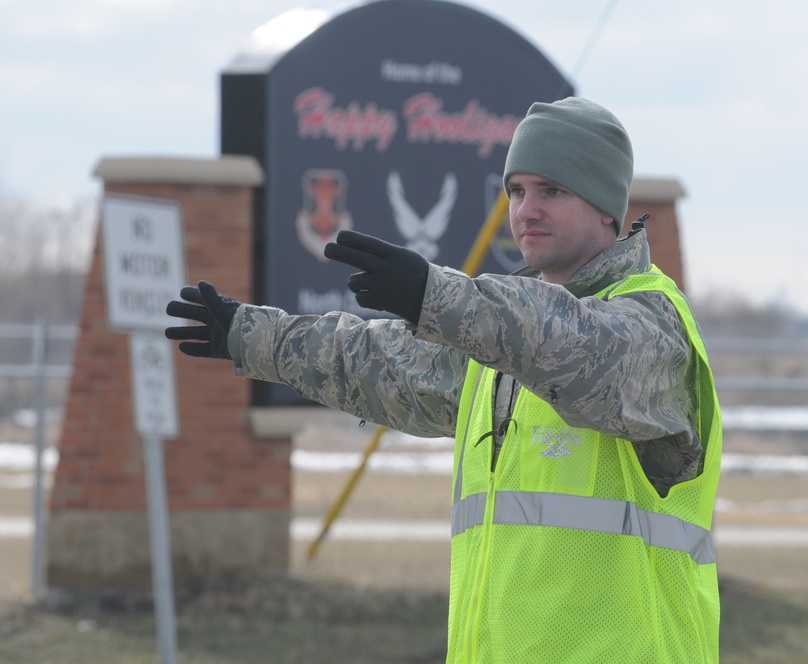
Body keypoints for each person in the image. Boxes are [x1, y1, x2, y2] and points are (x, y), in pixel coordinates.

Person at [165, 97, 723, 663]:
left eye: (552, 191)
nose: (526, 209)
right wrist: (250, 335)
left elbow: (578, 348)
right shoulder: (498, 343)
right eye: (517, 191)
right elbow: (378, 361)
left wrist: (433, 295)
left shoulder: (652, 327)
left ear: (607, 206)